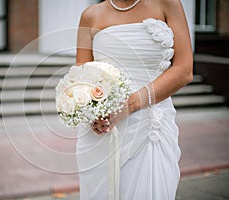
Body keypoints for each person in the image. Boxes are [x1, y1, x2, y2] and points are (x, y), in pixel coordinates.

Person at [75, 0, 193, 199]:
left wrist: (131, 104)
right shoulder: (90, 15)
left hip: (149, 126)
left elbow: (184, 70)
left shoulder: (168, 4)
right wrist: (91, 111)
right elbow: (81, 74)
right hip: (102, 130)